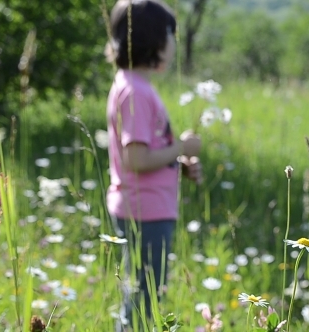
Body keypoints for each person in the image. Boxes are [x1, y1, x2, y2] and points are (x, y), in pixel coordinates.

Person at [105, 1, 203, 330]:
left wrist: (179, 161)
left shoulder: (133, 85)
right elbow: (136, 159)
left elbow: (146, 152)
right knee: (145, 300)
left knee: (143, 294)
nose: (174, 44)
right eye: (171, 35)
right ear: (155, 41)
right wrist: (181, 146)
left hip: (145, 206)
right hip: (145, 211)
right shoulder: (135, 92)